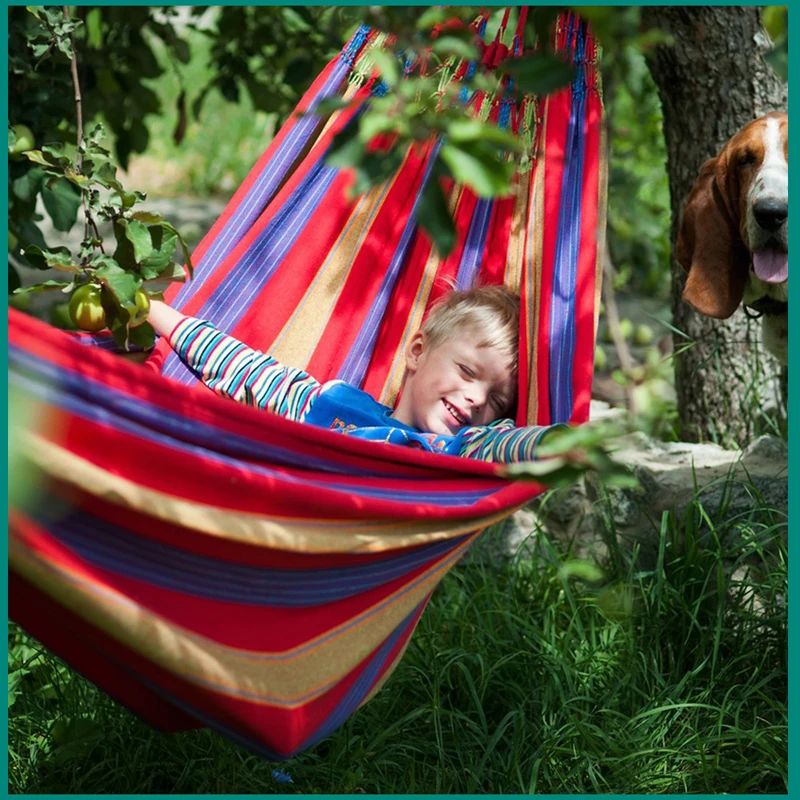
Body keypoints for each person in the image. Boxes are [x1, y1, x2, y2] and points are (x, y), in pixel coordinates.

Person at [146, 286, 564, 463]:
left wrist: (565, 440)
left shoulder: (456, 453)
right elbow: (246, 371)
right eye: (467, 371)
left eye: (496, 401)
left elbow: (510, 444)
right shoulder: (333, 403)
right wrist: (153, 310)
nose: (476, 398)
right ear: (417, 351)